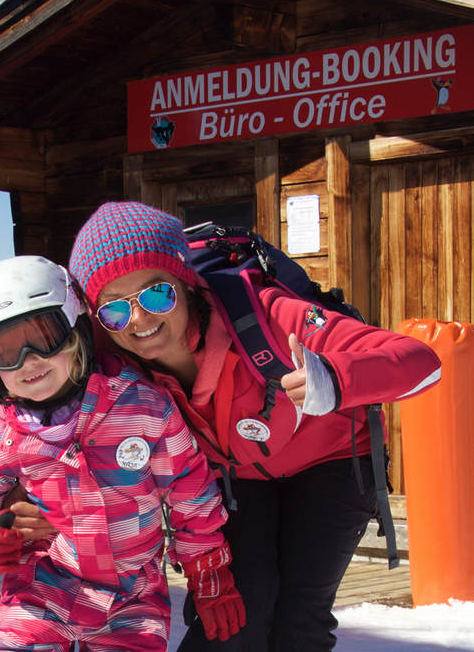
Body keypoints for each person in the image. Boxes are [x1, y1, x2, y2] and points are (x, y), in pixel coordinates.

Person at [62, 202, 442, 651]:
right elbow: (36, 411)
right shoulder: (110, 353)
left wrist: (336, 378)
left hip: (331, 460)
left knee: (299, 620)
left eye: (156, 294)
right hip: (234, 475)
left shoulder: (268, 314)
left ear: (187, 284)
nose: (141, 320)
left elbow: (424, 363)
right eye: (115, 310)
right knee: (233, 615)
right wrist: (8, 494)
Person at [0, 255, 245, 652]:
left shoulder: (141, 408)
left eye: (42, 336)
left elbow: (191, 493)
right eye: (6, 351)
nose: (29, 360)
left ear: (75, 330)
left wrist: (208, 571)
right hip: (41, 592)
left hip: (133, 597)